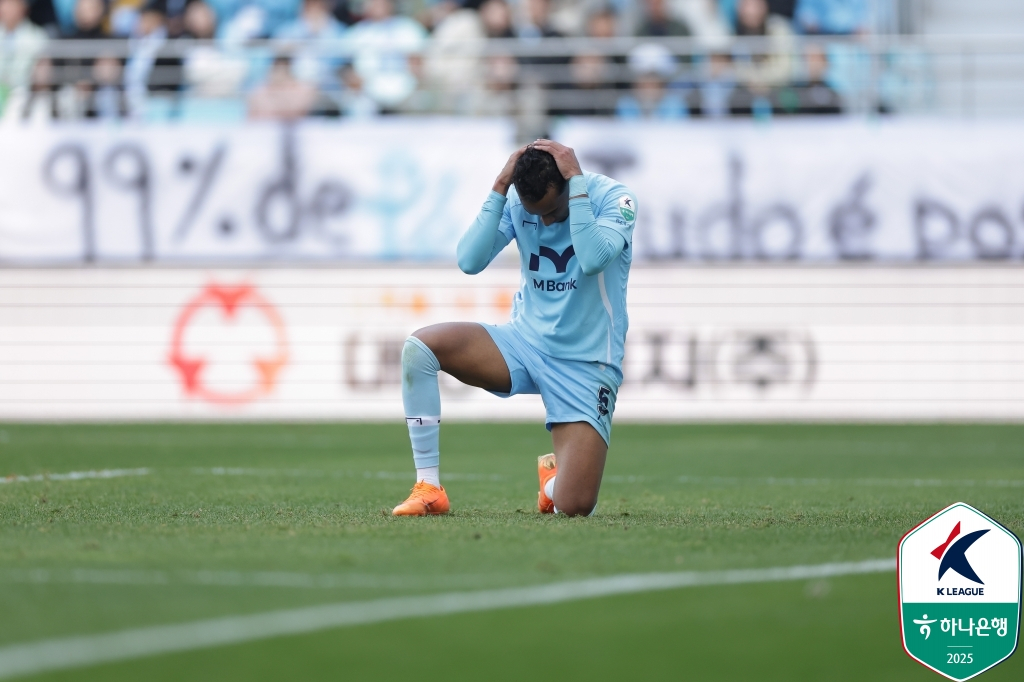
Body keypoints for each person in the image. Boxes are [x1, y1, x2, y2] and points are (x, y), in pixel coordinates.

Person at [391, 141, 637, 517]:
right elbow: (469, 260)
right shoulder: (519, 202)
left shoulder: (615, 199)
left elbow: (591, 259)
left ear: (570, 182)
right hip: (524, 343)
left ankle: (552, 481)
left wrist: (577, 184)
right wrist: (499, 188)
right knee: (420, 348)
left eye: (554, 210)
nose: (548, 221)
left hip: (586, 363)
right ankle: (429, 488)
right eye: (536, 212)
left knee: (574, 506)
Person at [0, 0, 48, 111]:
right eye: (4, 4)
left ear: (23, 8)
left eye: (12, 4)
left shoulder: (37, 36)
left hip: (22, 91)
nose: (7, 8)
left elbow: (40, 72)